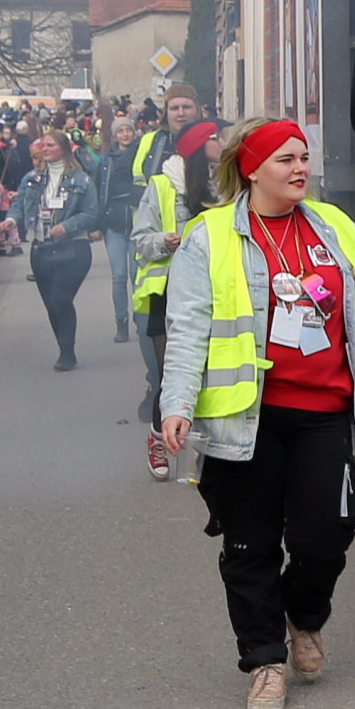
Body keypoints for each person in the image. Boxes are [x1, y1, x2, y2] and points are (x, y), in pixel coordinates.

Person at [157, 119, 355, 709]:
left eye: (303, 157)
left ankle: (305, 615)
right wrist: (177, 403)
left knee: (326, 535)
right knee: (250, 545)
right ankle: (265, 662)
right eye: (286, 159)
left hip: (324, 415)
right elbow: (187, 327)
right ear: (251, 169)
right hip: (247, 421)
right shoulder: (208, 237)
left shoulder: (331, 226)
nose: (301, 169)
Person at [133, 117, 224, 463]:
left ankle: (204, 449)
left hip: (213, 290)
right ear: (199, 147)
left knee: (209, 374)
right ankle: (157, 439)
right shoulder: (161, 185)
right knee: (170, 375)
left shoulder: (228, 183)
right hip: (168, 293)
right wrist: (163, 241)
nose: (222, 143)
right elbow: (140, 239)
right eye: (215, 138)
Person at [12, 129, 100, 371]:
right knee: (51, 304)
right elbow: (19, 203)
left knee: (61, 299)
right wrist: (11, 219)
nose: (44, 149)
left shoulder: (81, 180)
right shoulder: (32, 178)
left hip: (74, 249)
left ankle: (68, 352)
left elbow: (91, 214)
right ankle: (63, 347)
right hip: (41, 248)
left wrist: (65, 226)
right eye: (43, 145)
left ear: (63, 148)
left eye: (50, 145)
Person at [101, 116, 143, 345]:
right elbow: (102, 190)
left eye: (128, 130)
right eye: (120, 131)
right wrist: (98, 224)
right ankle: (121, 321)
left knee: (137, 275)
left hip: (138, 224)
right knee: (118, 276)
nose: (125, 134)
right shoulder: (107, 160)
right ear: (115, 135)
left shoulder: (142, 155)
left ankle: (141, 319)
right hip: (114, 225)